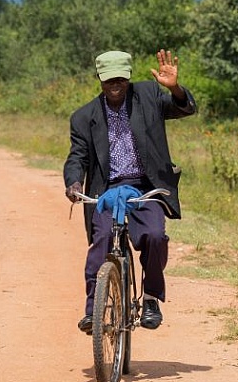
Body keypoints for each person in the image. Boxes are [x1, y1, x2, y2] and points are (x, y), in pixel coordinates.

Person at [63, 49, 196, 334]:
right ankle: (93, 310)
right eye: (109, 80)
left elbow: (183, 108)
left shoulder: (148, 96)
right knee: (101, 241)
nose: (115, 85)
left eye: (120, 79)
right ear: (99, 79)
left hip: (145, 187)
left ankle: (150, 298)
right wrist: (74, 182)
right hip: (107, 191)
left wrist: (174, 88)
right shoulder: (84, 117)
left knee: (154, 235)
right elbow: (77, 157)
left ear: (129, 77)